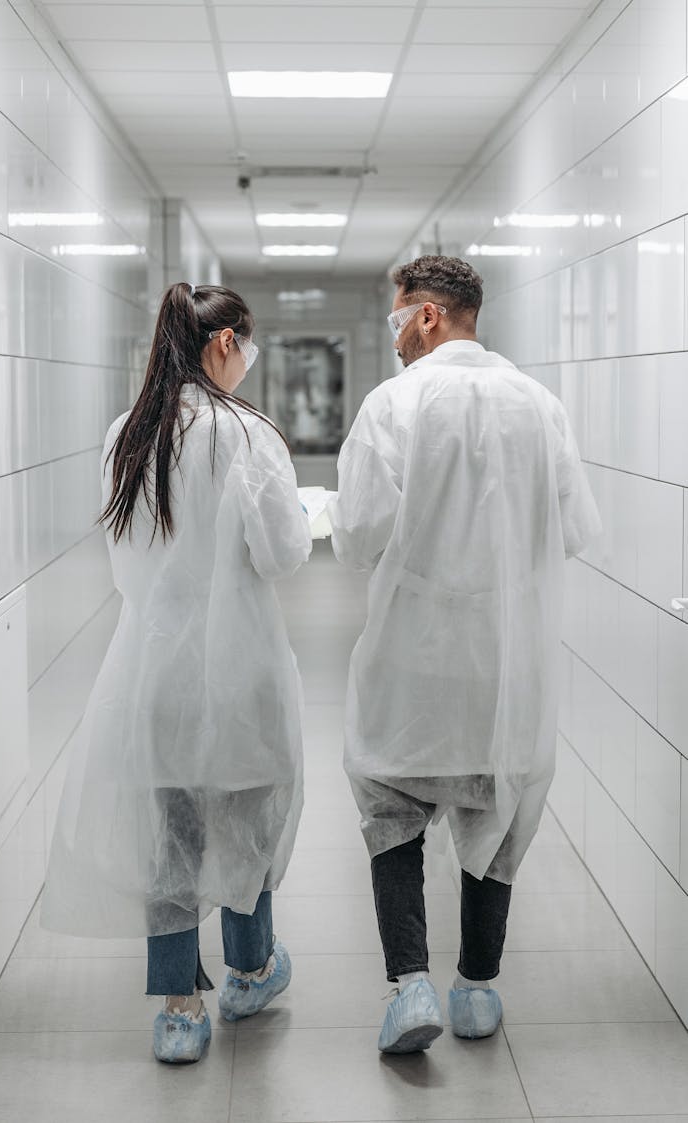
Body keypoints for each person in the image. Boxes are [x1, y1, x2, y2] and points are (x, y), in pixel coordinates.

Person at [328, 255, 600, 1054]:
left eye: (398, 316)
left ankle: (410, 983)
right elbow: (575, 530)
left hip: (414, 649)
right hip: (507, 657)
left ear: (428, 316)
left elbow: (356, 535)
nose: (397, 335)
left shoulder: (394, 405)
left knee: (390, 799)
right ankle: (478, 990)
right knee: (497, 800)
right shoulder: (540, 405)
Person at [41, 282, 312, 1064]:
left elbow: (127, 558)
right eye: (246, 345)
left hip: (153, 668)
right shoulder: (248, 434)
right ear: (224, 343)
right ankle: (252, 969)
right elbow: (285, 553)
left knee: (172, 839)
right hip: (242, 668)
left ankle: (180, 1009)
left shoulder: (127, 435)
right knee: (246, 826)